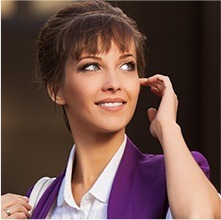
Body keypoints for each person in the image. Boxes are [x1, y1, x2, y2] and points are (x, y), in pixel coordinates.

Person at [1, 0, 220, 219]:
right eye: (92, 66)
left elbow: (200, 216)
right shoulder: (40, 200)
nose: (114, 83)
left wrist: (169, 128)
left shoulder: (171, 179)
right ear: (57, 90)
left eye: (127, 66)